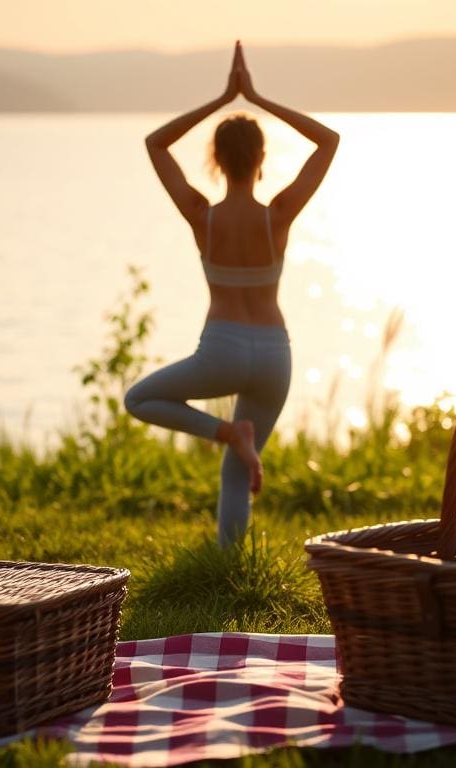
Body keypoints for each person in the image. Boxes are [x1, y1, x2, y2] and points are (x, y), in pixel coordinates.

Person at [124, 41, 339, 546]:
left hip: (221, 347)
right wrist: (257, 99)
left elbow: (156, 144)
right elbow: (327, 141)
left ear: (215, 160)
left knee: (140, 398)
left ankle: (229, 435)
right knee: (236, 475)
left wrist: (224, 100)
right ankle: (230, 567)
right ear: (262, 157)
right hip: (274, 354)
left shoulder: (202, 216)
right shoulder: (279, 215)